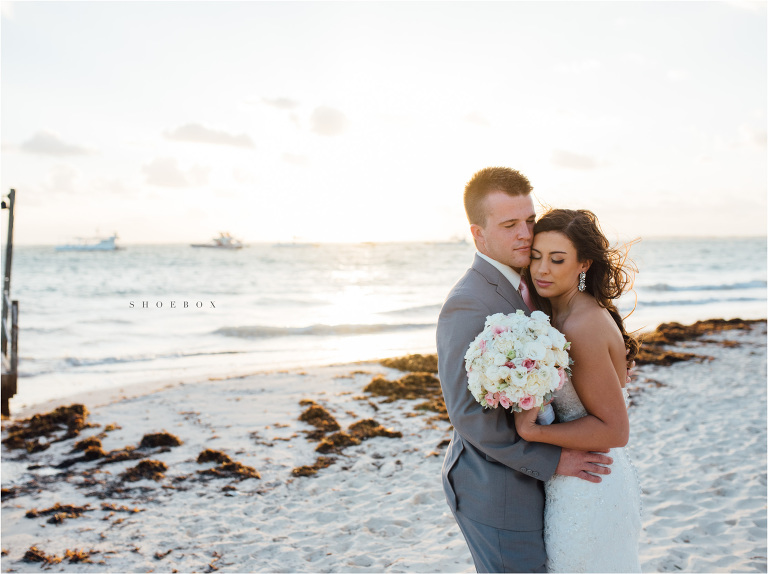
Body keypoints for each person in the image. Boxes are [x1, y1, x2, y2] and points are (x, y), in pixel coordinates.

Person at [437, 167, 615, 573]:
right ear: (478, 234)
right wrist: (553, 461)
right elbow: (468, 415)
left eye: (529, 221)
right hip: (497, 490)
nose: (525, 234)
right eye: (509, 225)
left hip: (540, 484)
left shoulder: (534, 280)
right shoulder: (468, 302)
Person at [513, 208, 642, 572]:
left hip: (589, 486)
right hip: (582, 479)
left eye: (557, 260)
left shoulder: (582, 325)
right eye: (535, 257)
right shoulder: (563, 315)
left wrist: (532, 431)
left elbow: (615, 430)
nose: (542, 270)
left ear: (584, 264)